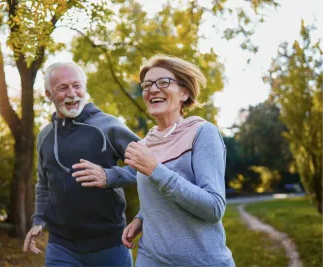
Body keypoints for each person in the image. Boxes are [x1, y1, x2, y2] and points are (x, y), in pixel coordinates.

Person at [121, 55, 235, 266]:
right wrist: (141, 218)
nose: (153, 89)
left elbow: (213, 208)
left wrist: (156, 169)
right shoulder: (146, 144)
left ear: (185, 92)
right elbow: (158, 197)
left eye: (163, 82)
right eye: (147, 85)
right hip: (150, 259)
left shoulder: (202, 132)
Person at [23, 61, 139, 266]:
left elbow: (149, 167)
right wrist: (39, 220)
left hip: (109, 244)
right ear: (48, 95)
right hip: (61, 246)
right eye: (62, 88)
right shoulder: (45, 136)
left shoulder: (108, 125)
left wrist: (110, 176)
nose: (72, 93)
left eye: (77, 86)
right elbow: (43, 184)